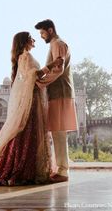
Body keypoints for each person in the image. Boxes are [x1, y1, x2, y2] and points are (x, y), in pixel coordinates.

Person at [0, 31, 61, 187]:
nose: (33, 39)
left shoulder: (25, 56)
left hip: (33, 97)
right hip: (31, 99)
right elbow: (34, 75)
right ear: (24, 42)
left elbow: (33, 76)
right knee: (26, 132)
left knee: (28, 134)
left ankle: (26, 170)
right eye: (31, 37)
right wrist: (51, 66)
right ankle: (20, 170)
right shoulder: (25, 56)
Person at [35, 19, 78, 183]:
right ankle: (61, 169)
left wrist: (40, 83)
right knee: (57, 132)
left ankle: (63, 171)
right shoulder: (55, 44)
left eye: (42, 33)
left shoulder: (58, 43)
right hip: (57, 93)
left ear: (50, 30)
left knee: (59, 133)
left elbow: (58, 69)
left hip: (60, 92)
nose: (41, 36)